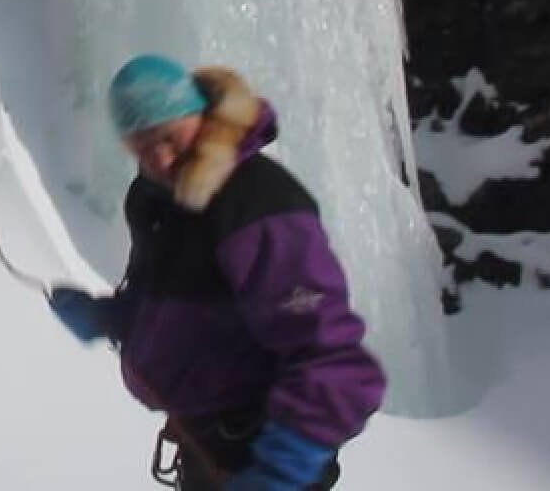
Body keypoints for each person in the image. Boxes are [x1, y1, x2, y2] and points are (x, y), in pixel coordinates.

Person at [45, 56, 386, 491]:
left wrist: (283, 471)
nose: (162, 158)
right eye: (142, 147)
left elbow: (333, 358)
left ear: (201, 117)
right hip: (206, 452)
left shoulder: (257, 202)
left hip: (268, 460)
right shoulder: (160, 203)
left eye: (170, 136)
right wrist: (110, 317)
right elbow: (177, 305)